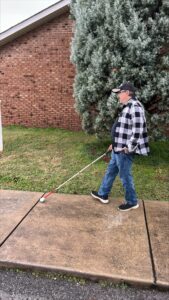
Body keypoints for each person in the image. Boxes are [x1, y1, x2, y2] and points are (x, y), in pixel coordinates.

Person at [91, 82, 150, 211]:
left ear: (127, 93)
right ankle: (103, 194)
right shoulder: (127, 107)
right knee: (110, 172)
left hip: (124, 151)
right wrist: (114, 143)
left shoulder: (135, 107)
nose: (118, 95)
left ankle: (132, 201)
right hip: (117, 148)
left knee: (125, 176)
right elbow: (123, 130)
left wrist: (128, 148)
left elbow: (137, 131)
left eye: (120, 93)